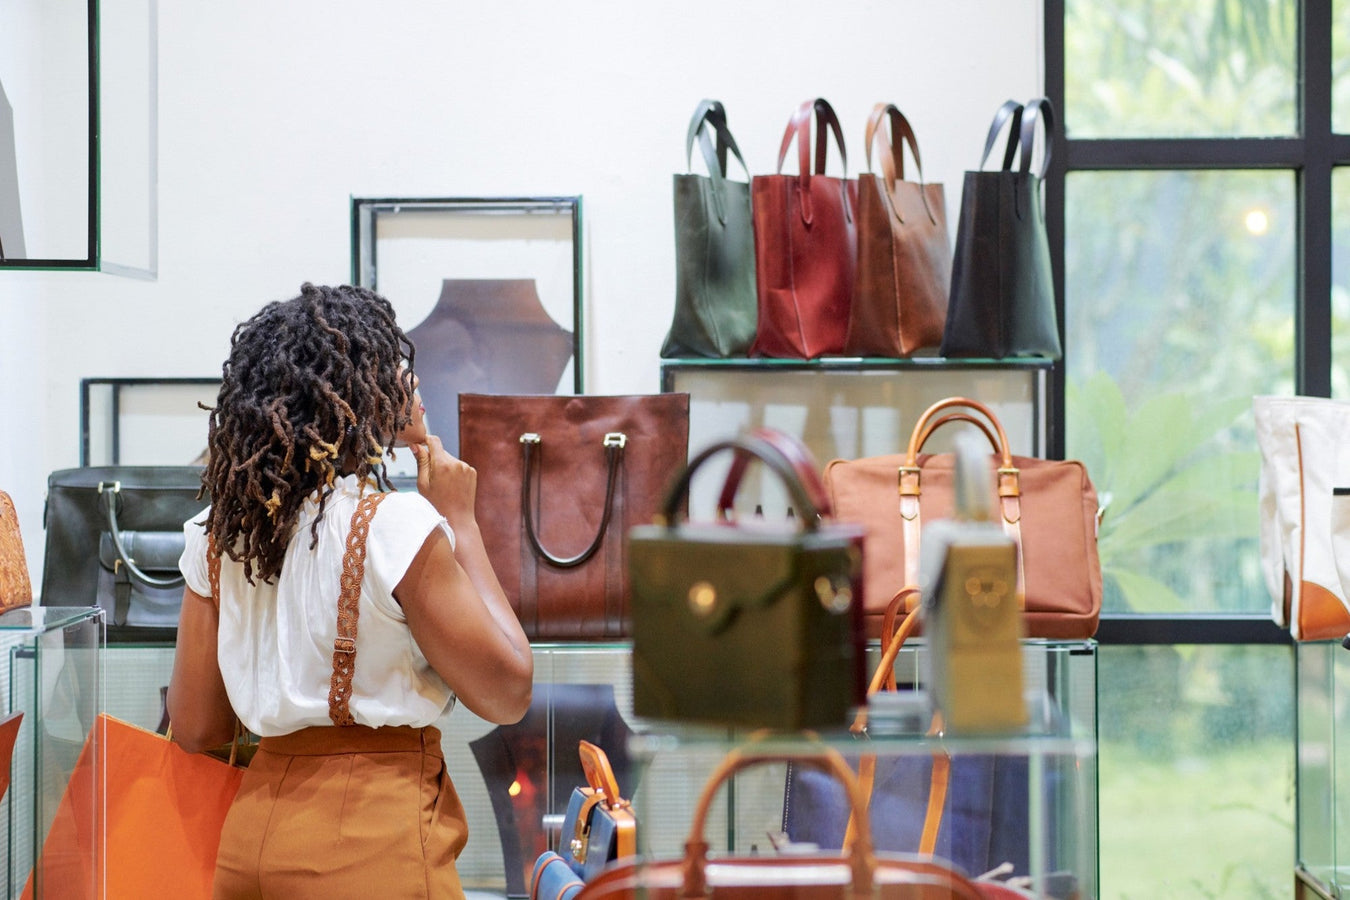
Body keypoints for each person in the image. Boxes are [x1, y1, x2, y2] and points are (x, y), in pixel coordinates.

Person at [167, 282, 533, 899]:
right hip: (371, 840)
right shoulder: (394, 526)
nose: (411, 383)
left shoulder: (219, 534)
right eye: (393, 365)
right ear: (355, 393)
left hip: (248, 840)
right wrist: (464, 524)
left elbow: (197, 727)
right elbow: (507, 690)